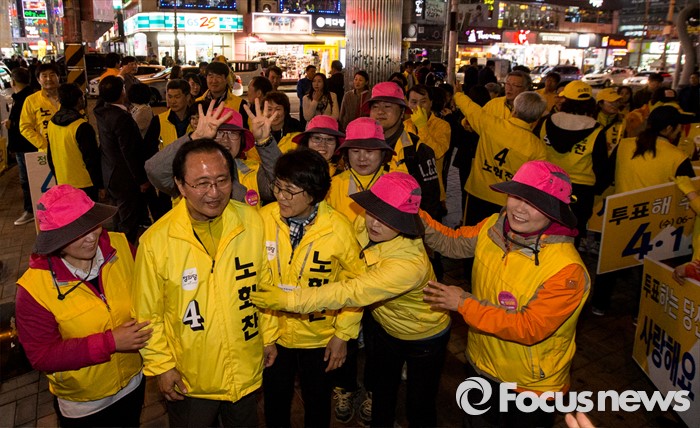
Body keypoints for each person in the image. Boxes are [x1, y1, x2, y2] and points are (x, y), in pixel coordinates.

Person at [252, 172, 452, 428]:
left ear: (403, 223)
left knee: (419, 404)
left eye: (387, 219)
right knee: (382, 393)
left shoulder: (409, 266)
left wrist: (289, 300)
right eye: (372, 212)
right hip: (386, 327)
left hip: (423, 336)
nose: (374, 224)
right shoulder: (365, 225)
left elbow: (349, 290)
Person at [420, 160, 590, 428]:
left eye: (534, 203)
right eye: (516, 196)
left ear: (555, 210)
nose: (519, 209)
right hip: (481, 365)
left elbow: (529, 326)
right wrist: (416, 217)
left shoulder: (567, 270)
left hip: (530, 388)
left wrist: (463, 303)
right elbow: (453, 242)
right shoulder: (494, 226)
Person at [133, 138, 272, 428]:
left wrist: (269, 336)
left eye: (222, 180)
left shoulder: (251, 221)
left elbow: (265, 285)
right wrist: (162, 366)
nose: (214, 192)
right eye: (202, 183)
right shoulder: (156, 242)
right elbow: (147, 315)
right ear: (180, 185)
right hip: (190, 379)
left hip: (244, 366)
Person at [15, 184, 152, 427]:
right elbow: (42, 355)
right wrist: (110, 342)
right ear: (55, 239)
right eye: (77, 233)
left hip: (134, 383)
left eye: (93, 225)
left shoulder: (120, 247)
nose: (91, 238)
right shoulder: (33, 290)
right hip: (85, 406)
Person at [259, 148, 364, 428]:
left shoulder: (338, 229)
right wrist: (266, 337)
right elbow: (259, 282)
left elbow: (356, 286)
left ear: (314, 194)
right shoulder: (263, 219)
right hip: (276, 333)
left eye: (290, 191)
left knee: (317, 403)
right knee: (275, 403)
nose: (281, 196)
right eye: (278, 187)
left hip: (320, 338)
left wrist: (342, 335)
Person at [591, 105, 695, 317]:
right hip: (655, 221)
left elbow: (604, 177)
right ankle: (641, 314)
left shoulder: (625, 145)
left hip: (620, 215)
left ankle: (599, 305)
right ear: (669, 128)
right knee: (648, 270)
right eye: (678, 127)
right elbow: (690, 190)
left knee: (610, 263)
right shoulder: (678, 157)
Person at [453, 89, 547, 226]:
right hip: (508, 201)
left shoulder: (491, 124)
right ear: (537, 118)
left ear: (514, 110)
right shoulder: (538, 148)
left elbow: (470, 108)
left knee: (470, 233)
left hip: (478, 192)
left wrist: (458, 94)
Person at [538, 80, 609, 246]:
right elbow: (601, 166)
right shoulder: (596, 129)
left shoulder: (547, 122)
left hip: (548, 183)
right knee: (572, 233)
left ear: (565, 100)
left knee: (542, 229)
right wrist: (597, 189)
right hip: (580, 191)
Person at [363, 81, 442, 221]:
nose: (380, 111)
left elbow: (430, 203)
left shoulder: (417, 150)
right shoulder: (359, 145)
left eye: (387, 106)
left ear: (402, 112)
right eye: (375, 107)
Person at [94, 76, 150, 243]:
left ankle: (118, 246)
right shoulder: (121, 117)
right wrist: (141, 179)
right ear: (122, 92)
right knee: (127, 221)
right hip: (125, 178)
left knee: (118, 217)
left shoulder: (100, 111)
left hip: (109, 174)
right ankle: (125, 251)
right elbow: (129, 152)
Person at [47, 83, 102, 201]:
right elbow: (92, 159)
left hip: (63, 182)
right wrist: (100, 185)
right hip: (85, 184)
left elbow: (50, 156)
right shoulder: (82, 126)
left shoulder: (52, 123)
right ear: (79, 100)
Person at [4, 67, 36, 226]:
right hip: (28, 146)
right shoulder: (28, 96)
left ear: (13, 82)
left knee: (27, 180)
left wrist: (12, 124)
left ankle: (31, 210)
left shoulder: (25, 98)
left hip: (25, 147)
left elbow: (27, 124)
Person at [244, 91, 304, 163]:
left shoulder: (297, 132)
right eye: (269, 109)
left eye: (278, 109)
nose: (273, 113)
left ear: (285, 111)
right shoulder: (258, 132)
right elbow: (252, 160)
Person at [19, 63, 60, 152]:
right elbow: (25, 127)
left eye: (52, 75)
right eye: (44, 76)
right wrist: (44, 145)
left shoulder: (69, 96)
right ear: (38, 80)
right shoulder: (31, 100)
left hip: (70, 148)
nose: (49, 79)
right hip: (46, 152)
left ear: (58, 77)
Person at [196, 61, 248, 128]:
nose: (214, 81)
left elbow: (246, 131)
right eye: (211, 76)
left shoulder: (240, 104)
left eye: (218, 77)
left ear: (226, 79)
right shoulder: (198, 102)